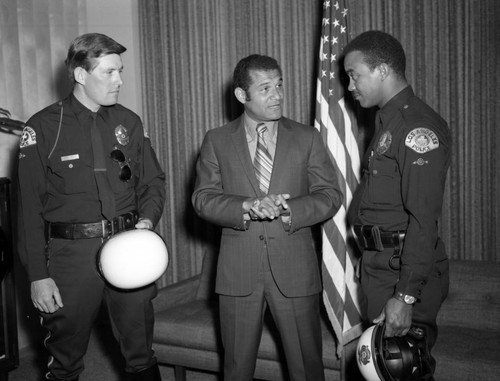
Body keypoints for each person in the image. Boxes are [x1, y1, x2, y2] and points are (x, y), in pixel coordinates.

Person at [17, 33, 166, 381]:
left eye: (120, 71)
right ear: (81, 75)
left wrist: (147, 219)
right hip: (71, 256)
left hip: (128, 247)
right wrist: (38, 276)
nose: (120, 81)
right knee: (65, 357)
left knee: (141, 351)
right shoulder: (42, 128)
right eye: (109, 72)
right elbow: (28, 210)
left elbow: (153, 181)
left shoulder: (128, 122)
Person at [192, 54, 343, 381]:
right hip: (238, 273)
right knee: (236, 369)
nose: (277, 95)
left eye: (279, 85)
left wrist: (290, 208)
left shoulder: (306, 137)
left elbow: (330, 195)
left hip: (294, 269)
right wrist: (245, 206)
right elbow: (202, 200)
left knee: (307, 368)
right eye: (265, 88)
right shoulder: (216, 140)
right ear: (241, 96)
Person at [343, 30, 451, 377]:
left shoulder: (415, 127)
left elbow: (423, 219)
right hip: (381, 267)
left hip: (401, 272)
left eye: (354, 74)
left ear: (383, 70)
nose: (350, 86)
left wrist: (404, 296)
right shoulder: (387, 120)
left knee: (402, 367)